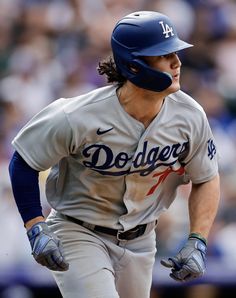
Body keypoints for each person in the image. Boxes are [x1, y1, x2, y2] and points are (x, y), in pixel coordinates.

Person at [8, 11, 220, 298]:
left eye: (176, 53)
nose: (177, 63)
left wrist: (198, 240)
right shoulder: (77, 114)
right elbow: (23, 160)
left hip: (142, 239)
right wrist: (35, 225)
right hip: (78, 231)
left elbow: (206, 176)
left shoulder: (189, 116)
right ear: (133, 66)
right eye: (163, 55)